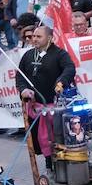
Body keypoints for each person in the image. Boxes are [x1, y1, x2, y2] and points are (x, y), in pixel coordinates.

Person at [15, 25, 76, 171]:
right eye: (33, 37)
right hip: (36, 108)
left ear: (49, 38)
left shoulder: (60, 54)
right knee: (41, 139)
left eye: (38, 37)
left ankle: (64, 166)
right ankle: (49, 165)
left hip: (56, 107)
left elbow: (69, 68)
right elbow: (20, 76)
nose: (34, 39)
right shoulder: (28, 55)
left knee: (59, 137)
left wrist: (61, 81)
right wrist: (23, 90)